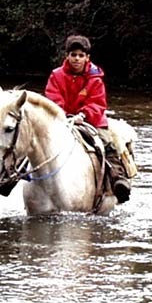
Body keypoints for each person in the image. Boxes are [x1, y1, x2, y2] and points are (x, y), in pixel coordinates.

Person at [44, 35, 130, 203]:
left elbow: (98, 102)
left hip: (92, 121)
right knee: (36, 140)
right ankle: (13, 175)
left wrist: (83, 115)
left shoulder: (95, 78)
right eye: (73, 54)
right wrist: (63, 115)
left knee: (107, 144)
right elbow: (52, 98)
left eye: (81, 55)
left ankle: (117, 178)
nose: (77, 59)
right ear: (67, 56)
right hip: (62, 120)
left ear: (87, 58)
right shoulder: (56, 75)